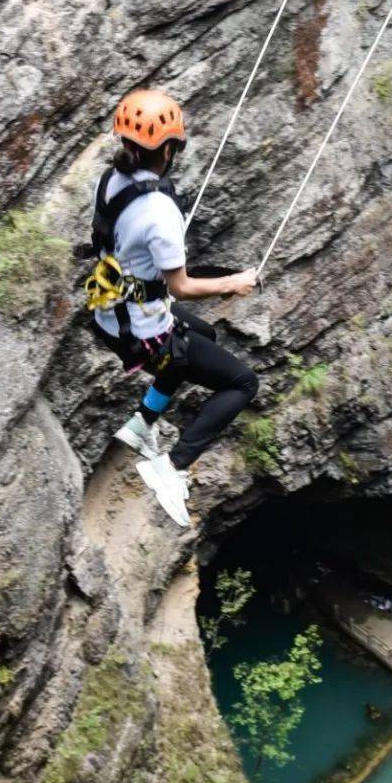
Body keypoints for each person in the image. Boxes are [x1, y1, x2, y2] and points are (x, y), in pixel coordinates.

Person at [81, 88, 259, 527]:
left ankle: (142, 423)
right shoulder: (159, 211)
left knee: (206, 336)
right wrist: (234, 284)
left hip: (109, 312)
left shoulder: (113, 181)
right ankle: (172, 467)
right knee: (242, 383)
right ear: (168, 148)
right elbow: (179, 287)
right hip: (144, 333)